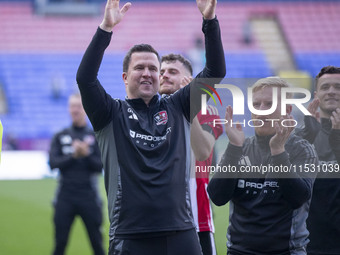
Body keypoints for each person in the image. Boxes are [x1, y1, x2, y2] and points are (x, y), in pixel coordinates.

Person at [76, 0, 226, 253]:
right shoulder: (109, 113)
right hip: (130, 235)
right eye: (139, 68)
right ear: (125, 78)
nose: (147, 73)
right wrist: (105, 29)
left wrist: (209, 21)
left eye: (153, 69)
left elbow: (215, 70)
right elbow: (85, 78)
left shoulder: (178, 106)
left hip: (181, 232)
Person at [207, 77, 318, 255]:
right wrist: (234, 148)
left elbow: (298, 197)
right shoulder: (240, 148)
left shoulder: (302, 149)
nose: (261, 111)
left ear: (287, 110)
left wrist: (278, 152)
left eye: (270, 104)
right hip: (238, 251)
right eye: (256, 104)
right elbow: (218, 197)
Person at [159, 53, 223, 255]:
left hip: (196, 216)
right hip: (158, 215)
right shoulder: (151, 113)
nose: (164, 76)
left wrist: (190, 107)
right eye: (161, 72)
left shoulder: (207, 113)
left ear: (188, 80)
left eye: (172, 72)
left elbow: (202, 152)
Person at [49, 93, 104, 255]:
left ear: (85, 109)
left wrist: (86, 154)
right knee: (60, 244)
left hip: (89, 197)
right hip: (65, 197)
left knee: (97, 244)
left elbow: (100, 166)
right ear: (68, 109)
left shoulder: (95, 135)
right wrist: (74, 155)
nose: (75, 110)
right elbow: (53, 164)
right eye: (72, 106)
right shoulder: (60, 136)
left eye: (79, 106)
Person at [296, 66, 340, 255]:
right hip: (306, 241)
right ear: (316, 94)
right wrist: (307, 137)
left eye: (338, 87)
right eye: (325, 87)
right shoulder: (300, 134)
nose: (331, 91)